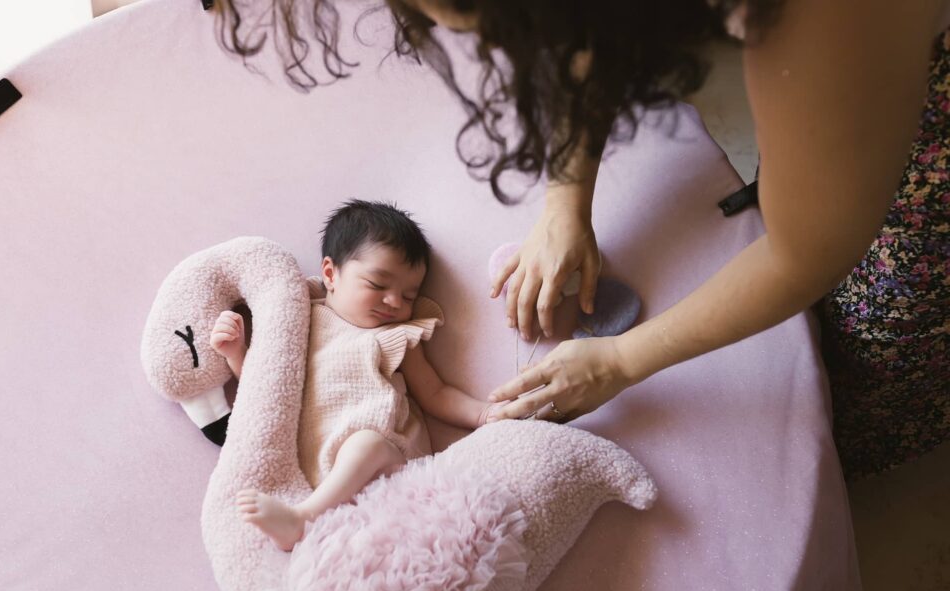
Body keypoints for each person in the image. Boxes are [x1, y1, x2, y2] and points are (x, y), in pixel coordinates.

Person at [213, 0, 949, 478]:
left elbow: (810, 248)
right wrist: (566, 200)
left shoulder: (837, 18)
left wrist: (625, 359)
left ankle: (848, 453)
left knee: (885, 331)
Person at [212, 200, 496, 550]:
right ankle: (311, 518)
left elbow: (435, 393)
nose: (394, 302)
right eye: (378, 284)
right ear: (331, 274)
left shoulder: (396, 335)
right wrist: (237, 353)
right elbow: (267, 389)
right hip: (321, 473)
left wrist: (484, 413)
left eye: (409, 295)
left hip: (390, 464)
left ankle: (301, 522)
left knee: (366, 443)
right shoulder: (300, 320)